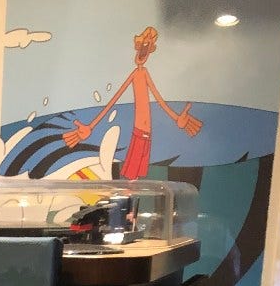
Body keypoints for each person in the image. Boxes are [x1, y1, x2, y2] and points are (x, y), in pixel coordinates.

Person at [62, 26, 202, 179]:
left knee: (138, 174)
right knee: (131, 174)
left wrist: (176, 118)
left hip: (147, 133)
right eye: (142, 46)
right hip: (139, 132)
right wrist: (91, 126)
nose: (143, 51)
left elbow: (159, 99)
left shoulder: (145, 73)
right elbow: (114, 99)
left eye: (147, 47)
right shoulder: (135, 74)